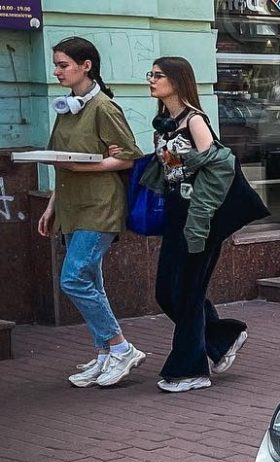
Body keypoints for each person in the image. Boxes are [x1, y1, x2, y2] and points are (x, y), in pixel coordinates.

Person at [141, 57, 269, 392]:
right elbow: (170, 168)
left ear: (178, 81)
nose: (152, 80)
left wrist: (200, 214)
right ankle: (221, 336)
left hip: (200, 218)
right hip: (176, 216)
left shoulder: (194, 120)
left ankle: (189, 371)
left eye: (158, 75)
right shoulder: (164, 123)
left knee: (186, 292)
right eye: (150, 75)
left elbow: (217, 170)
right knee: (167, 293)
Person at [38, 37, 146, 388]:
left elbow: (129, 155)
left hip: (101, 206)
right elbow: (60, 161)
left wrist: (89, 168)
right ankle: (104, 354)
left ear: (86, 66)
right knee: (91, 279)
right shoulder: (67, 108)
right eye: (55, 64)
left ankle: (121, 347)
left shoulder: (103, 107)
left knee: (72, 278)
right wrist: (52, 206)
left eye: (63, 65)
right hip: (72, 205)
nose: (57, 71)